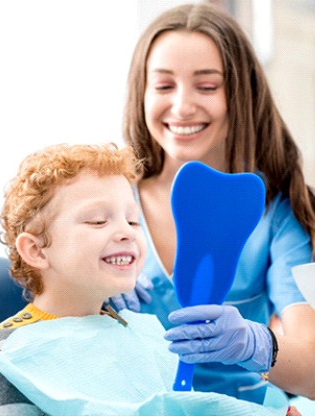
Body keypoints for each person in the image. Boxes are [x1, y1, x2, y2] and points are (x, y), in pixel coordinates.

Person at [0, 143, 299, 415]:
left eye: (132, 220)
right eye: (98, 221)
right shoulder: (17, 354)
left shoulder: (139, 335)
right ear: (36, 250)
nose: (125, 233)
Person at [113, 1, 315, 405]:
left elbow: (312, 370)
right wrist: (87, 292)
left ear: (240, 95)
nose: (183, 106)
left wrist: (254, 344)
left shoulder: (277, 213)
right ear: (142, 92)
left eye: (207, 86)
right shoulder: (110, 200)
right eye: (164, 85)